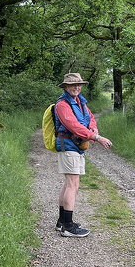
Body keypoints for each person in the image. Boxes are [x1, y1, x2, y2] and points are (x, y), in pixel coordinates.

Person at [54, 73, 112, 238]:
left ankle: (61, 222)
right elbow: (74, 127)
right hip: (68, 146)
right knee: (73, 184)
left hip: (77, 147)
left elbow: (90, 118)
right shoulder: (62, 105)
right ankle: (68, 227)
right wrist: (97, 138)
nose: (76, 87)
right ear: (65, 86)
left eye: (78, 85)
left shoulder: (80, 102)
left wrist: (94, 128)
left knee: (69, 183)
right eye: (72, 85)